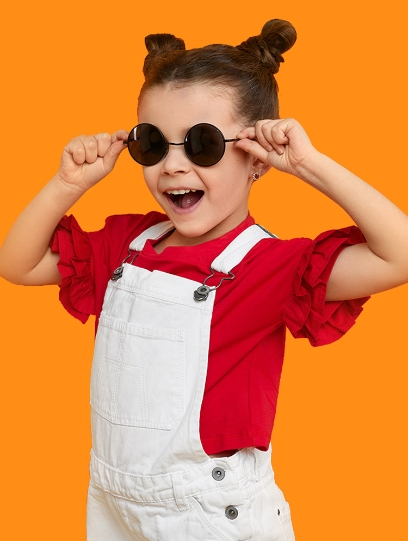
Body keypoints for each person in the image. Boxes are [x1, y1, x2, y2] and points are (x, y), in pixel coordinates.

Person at [1, 19, 408, 541]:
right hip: (113, 502)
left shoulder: (270, 267)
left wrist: (311, 166)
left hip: (210, 514)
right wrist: (65, 185)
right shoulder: (125, 246)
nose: (172, 166)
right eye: (152, 143)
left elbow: (398, 255)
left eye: (202, 144)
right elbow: (17, 264)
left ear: (257, 154)